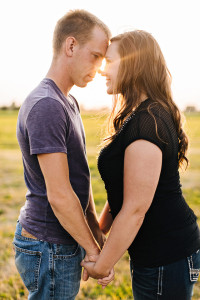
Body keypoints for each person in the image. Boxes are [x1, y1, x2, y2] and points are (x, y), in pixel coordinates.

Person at [81, 30, 200, 299]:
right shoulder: (139, 115)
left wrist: (102, 265)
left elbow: (135, 208)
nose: (102, 70)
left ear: (134, 64)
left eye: (110, 62)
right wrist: (100, 233)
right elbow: (125, 191)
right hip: (159, 254)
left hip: (166, 256)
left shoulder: (148, 121)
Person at [13, 9, 114, 300]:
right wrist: (94, 253)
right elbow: (59, 194)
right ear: (71, 46)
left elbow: (79, 177)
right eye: (95, 56)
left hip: (60, 241)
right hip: (49, 245)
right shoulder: (47, 104)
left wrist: (95, 231)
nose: (100, 68)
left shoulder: (67, 101)